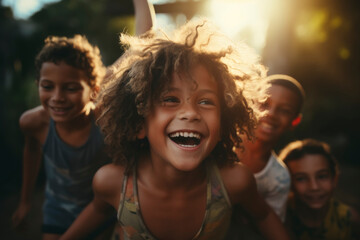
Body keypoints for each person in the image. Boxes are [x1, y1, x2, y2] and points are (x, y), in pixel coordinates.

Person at [60, 19, 290, 240]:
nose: (190, 113)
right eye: (170, 99)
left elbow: (264, 215)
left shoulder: (235, 182)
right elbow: (98, 212)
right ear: (139, 124)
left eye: (206, 101)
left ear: (224, 123)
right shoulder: (112, 182)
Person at [11, 1, 155, 239]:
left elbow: (142, 45)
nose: (57, 98)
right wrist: (25, 201)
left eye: (70, 88)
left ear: (95, 90)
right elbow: (32, 152)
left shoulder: (105, 118)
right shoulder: (32, 123)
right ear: (39, 85)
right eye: (48, 86)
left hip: (104, 210)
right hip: (57, 212)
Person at [234, 74, 305, 222]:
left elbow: (268, 224)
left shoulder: (279, 178)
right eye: (264, 103)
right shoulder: (218, 143)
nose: (271, 114)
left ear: (295, 121)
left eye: (284, 110)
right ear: (249, 103)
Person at [279, 138, 360, 240]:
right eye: (301, 179)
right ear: (288, 183)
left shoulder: (350, 219)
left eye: (322, 176)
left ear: (334, 178)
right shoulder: (280, 218)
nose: (314, 187)